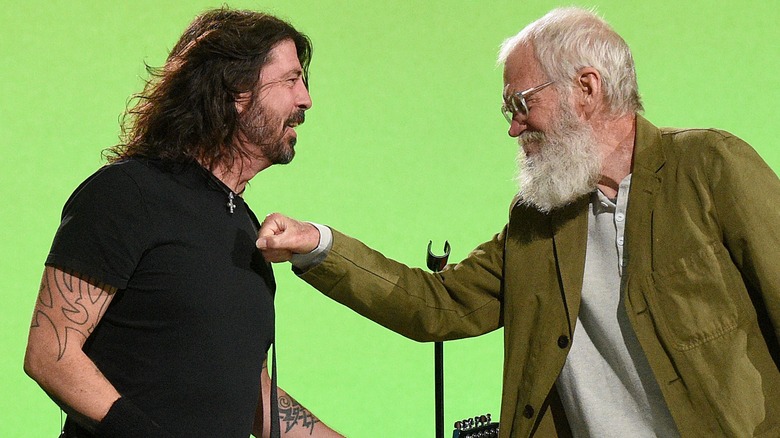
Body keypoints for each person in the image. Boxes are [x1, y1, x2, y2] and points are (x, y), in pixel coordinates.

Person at [255, 7, 780, 438]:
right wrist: (315, 244)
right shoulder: (538, 221)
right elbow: (438, 305)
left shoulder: (712, 166)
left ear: (587, 88)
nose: (512, 127)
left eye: (521, 103)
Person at [24, 7, 343, 438]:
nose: (305, 99)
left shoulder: (244, 229)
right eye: (290, 79)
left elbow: (245, 391)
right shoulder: (129, 192)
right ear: (237, 90)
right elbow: (51, 355)